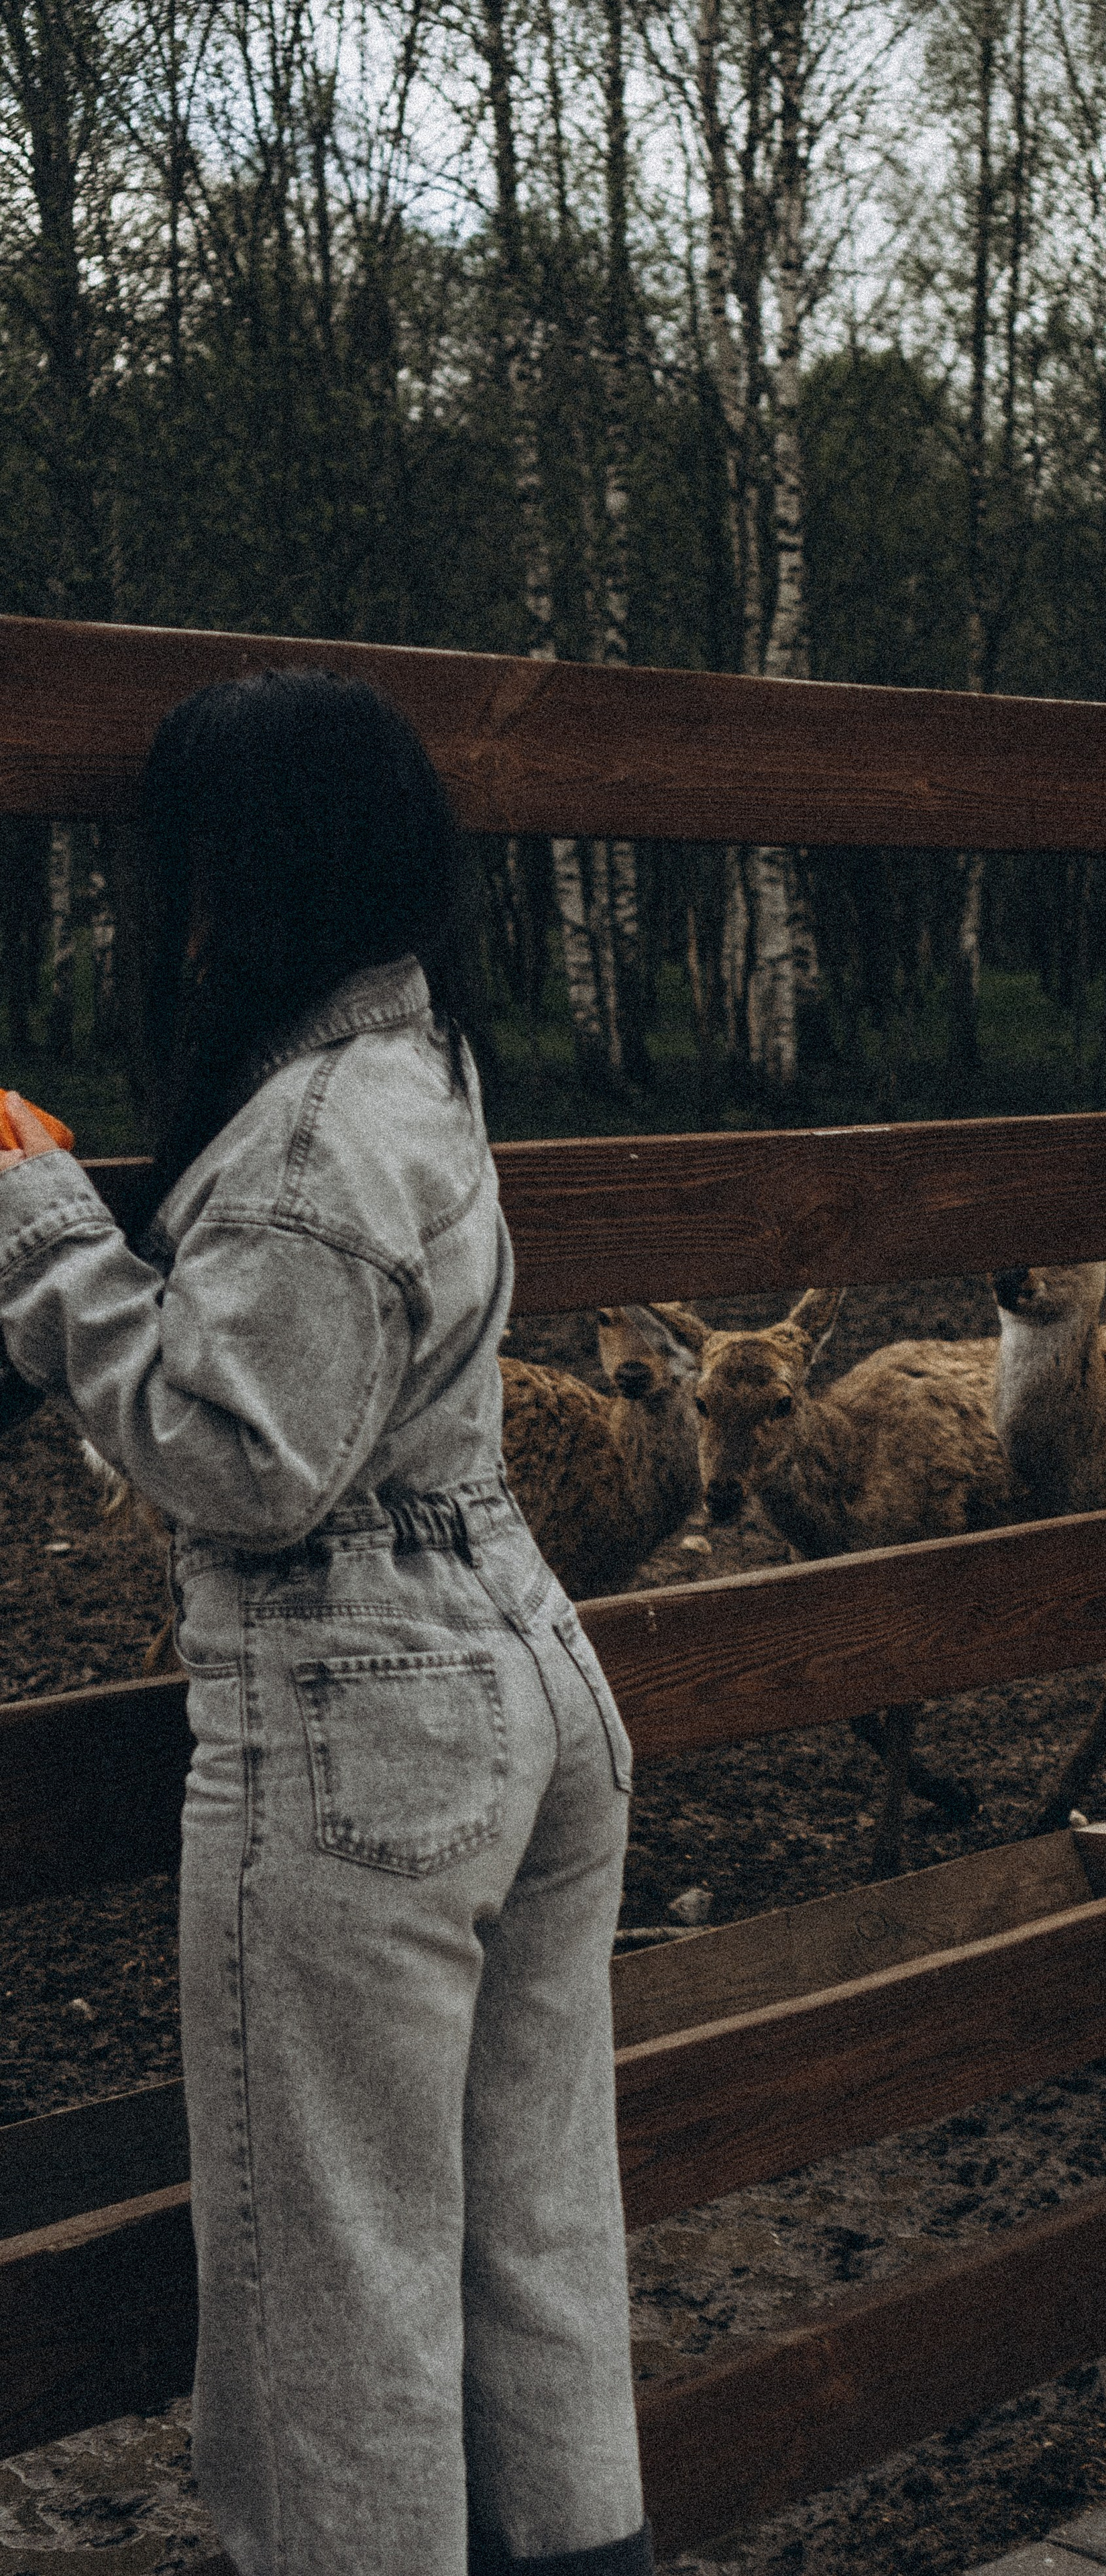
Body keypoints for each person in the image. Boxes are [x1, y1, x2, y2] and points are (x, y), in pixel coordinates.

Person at [0, 671, 651, 2576]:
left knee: (331, 2288)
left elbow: (242, 1459)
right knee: (533, 2235)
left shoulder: (307, 1142)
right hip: (519, 1672)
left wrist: (44, 1234)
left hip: (365, 1716)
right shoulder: (424, 1065)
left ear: (240, 873)